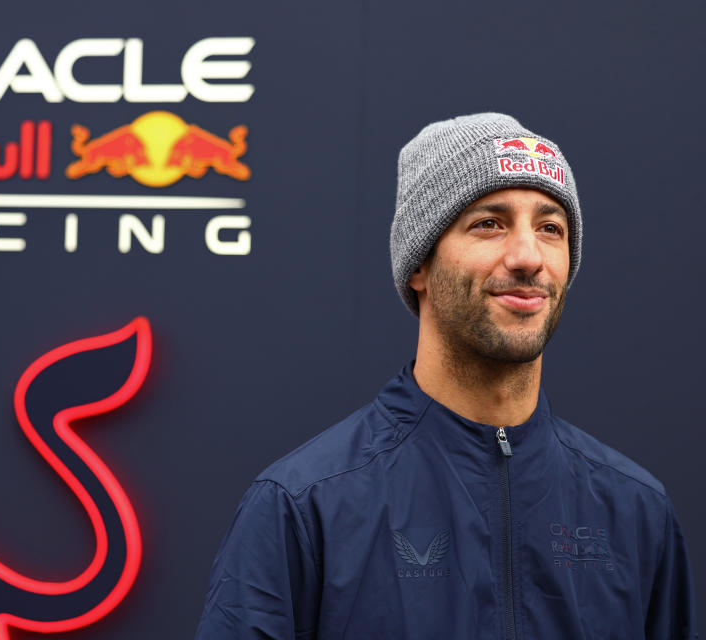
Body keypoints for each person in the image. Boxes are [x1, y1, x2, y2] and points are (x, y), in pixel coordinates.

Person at [193, 113, 697, 639]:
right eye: (489, 223)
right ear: (419, 265)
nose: (528, 257)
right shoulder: (302, 505)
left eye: (550, 228)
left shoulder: (637, 510)